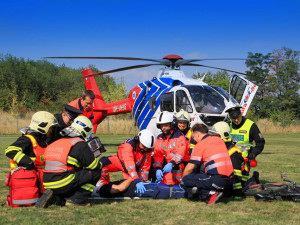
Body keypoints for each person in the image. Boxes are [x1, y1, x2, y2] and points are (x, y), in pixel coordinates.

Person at [36, 116, 103, 208]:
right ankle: (77, 200)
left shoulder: (57, 141)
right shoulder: (80, 144)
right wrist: (100, 163)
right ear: (86, 130)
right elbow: (93, 166)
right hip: (63, 181)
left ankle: (54, 198)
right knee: (95, 173)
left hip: (47, 182)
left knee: (73, 178)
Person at [181, 123, 233, 204]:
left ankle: (209, 194)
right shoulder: (219, 140)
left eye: (193, 137)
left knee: (187, 180)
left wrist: (182, 180)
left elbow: (189, 168)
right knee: (201, 178)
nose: (194, 140)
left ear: (197, 135)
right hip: (230, 181)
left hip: (217, 180)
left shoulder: (200, 145)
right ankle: (216, 191)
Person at [99, 129, 155, 194]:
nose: (145, 149)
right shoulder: (127, 146)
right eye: (144, 146)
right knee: (102, 163)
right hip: (120, 162)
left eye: (147, 148)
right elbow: (129, 164)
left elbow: (145, 167)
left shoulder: (147, 150)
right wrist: (137, 180)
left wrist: (142, 180)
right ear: (138, 140)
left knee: (129, 186)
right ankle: (103, 186)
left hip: (133, 167)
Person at [209, 121, 248, 200]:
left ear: (223, 136)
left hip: (238, 182)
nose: (212, 138)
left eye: (215, 136)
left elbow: (236, 177)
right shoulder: (222, 148)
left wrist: (237, 194)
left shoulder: (234, 155)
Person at [226, 105, 265, 181]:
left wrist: (253, 154)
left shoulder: (250, 125)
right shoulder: (227, 125)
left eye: (238, 117)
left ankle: (254, 179)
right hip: (229, 160)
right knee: (230, 183)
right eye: (233, 118)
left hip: (245, 160)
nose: (236, 120)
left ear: (241, 114)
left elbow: (260, 143)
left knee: (242, 183)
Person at [153, 111, 189, 185]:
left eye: (165, 125)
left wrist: (172, 163)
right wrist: (158, 168)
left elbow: (180, 153)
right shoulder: (159, 138)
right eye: (161, 125)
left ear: (171, 124)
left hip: (180, 166)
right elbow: (158, 155)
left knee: (180, 186)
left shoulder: (179, 136)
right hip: (167, 167)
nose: (163, 128)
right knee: (165, 185)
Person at [93, 178, 185, 199]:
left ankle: (185, 190)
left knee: (161, 187)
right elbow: (120, 188)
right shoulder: (103, 189)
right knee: (162, 191)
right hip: (136, 190)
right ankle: (187, 194)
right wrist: (131, 178)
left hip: (137, 186)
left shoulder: (103, 188)